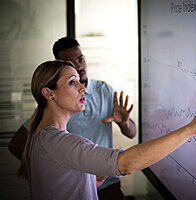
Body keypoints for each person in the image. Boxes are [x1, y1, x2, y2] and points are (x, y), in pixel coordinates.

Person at [18, 60, 196, 199]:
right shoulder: (59, 142)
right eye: (72, 83)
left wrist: (87, 181)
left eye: (80, 82)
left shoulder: (42, 136)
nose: (83, 88)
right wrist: (190, 129)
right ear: (49, 94)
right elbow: (126, 165)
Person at [8, 37, 136, 200]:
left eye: (80, 59)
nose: (79, 66)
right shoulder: (54, 131)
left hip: (106, 183)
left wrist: (124, 123)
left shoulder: (104, 90)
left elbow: (132, 133)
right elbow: (126, 164)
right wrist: (64, 173)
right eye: (71, 82)